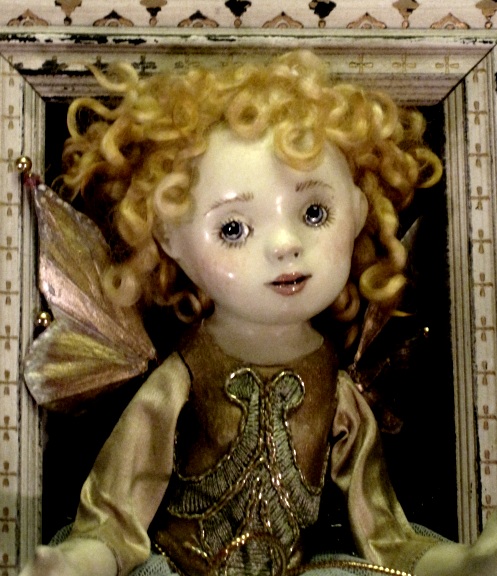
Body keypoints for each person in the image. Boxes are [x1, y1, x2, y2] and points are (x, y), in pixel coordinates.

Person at [20, 50, 497, 576]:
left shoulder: (333, 383)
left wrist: (460, 563)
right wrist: (83, 560)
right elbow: (118, 506)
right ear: (169, 237)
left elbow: (382, 528)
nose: (285, 245)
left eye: (314, 212)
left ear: (359, 210)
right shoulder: (185, 373)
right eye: (233, 228)